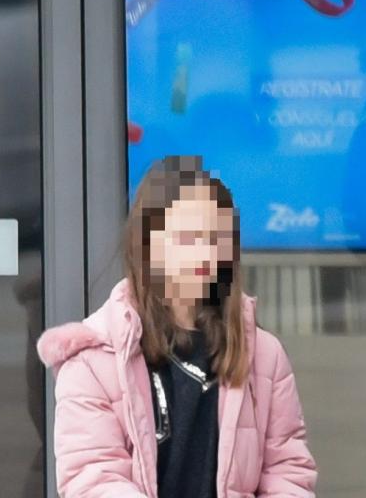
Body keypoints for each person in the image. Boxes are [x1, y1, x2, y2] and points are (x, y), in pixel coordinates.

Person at [38, 155, 317, 497]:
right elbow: (93, 479)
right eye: (188, 237)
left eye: (216, 238)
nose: (205, 254)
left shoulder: (263, 355)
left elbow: (287, 472)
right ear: (148, 244)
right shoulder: (93, 360)